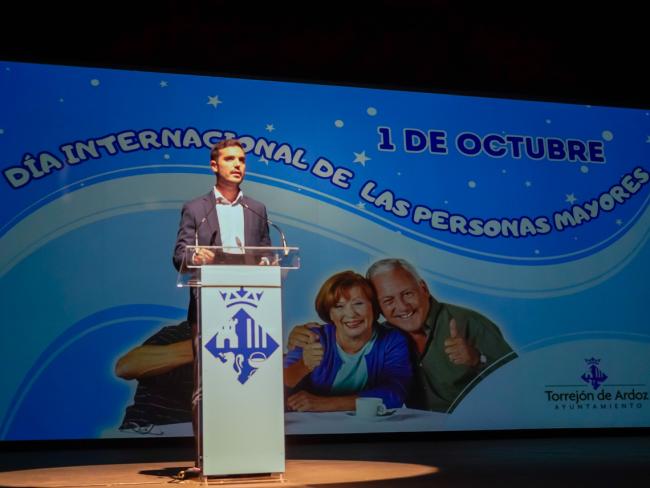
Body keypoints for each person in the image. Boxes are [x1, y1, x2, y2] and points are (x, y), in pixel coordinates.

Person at [289, 259, 516, 413]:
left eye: (407, 294)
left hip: (480, 428)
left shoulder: (466, 322)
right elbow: (278, 380)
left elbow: (521, 382)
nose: (402, 307)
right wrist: (300, 357)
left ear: (424, 289)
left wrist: (478, 360)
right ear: (379, 306)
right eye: (388, 300)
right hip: (418, 433)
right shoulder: (386, 334)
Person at [172, 138, 271, 471]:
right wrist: (193, 255)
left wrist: (267, 264)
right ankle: (207, 457)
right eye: (230, 159)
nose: (238, 165)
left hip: (252, 311)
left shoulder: (256, 209)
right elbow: (179, 253)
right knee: (207, 385)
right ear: (214, 166)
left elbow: (268, 255)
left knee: (251, 380)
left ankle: (251, 453)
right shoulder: (196, 209)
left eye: (242, 159)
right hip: (209, 308)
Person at [284, 270, 412, 412]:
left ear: (373, 307)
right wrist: (304, 365)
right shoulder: (312, 337)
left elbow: (395, 394)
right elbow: (278, 384)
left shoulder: (392, 340)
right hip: (312, 426)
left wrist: (324, 404)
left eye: (358, 303)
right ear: (330, 314)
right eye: (339, 306)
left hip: (365, 427)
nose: (351, 314)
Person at [115, 321, 193, 432]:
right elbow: (125, 367)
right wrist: (200, 345)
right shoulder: (181, 333)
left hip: (200, 438)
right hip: (147, 436)